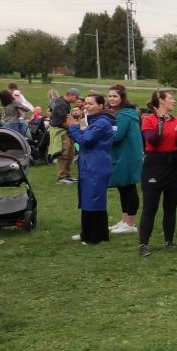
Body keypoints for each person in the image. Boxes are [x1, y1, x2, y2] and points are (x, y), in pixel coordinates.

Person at [137, 89, 177, 257]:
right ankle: (143, 244)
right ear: (161, 100)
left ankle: (169, 241)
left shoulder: (176, 120)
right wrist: (161, 122)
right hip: (154, 164)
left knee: (171, 207)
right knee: (150, 207)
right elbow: (153, 140)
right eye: (171, 98)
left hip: (174, 164)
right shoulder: (148, 119)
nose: (174, 101)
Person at [65, 94, 114, 244]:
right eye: (86, 103)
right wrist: (78, 127)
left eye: (90, 104)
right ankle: (87, 233)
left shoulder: (102, 123)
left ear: (100, 106)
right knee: (88, 198)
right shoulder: (94, 121)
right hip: (89, 163)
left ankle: (95, 236)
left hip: (96, 164)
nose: (86, 106)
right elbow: (85, 136)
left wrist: (73, 127)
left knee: (93, 199)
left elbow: (85, 140)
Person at [105, 84, 143, 235]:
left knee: (128, 188)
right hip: (122, 154)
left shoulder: (124, 115)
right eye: (110, 96)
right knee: (122, 187)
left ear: (122, 98)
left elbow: (117, 135)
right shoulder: (120, 113)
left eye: (115, 96)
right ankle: (124, 220)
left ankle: (131, 224)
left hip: (127, 156)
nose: (111, 99)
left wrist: (100, 132)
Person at [49, 87, 79, 183]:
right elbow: (63, 122)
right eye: (76, 97)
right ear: (70, 95)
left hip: (66, 131)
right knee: (64, 154)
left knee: (71, 153)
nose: (77, 99)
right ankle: (61, 177)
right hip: (60, 131)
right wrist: (76, 127)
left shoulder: (65, 103)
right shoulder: (61, 104)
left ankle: (67, 175)